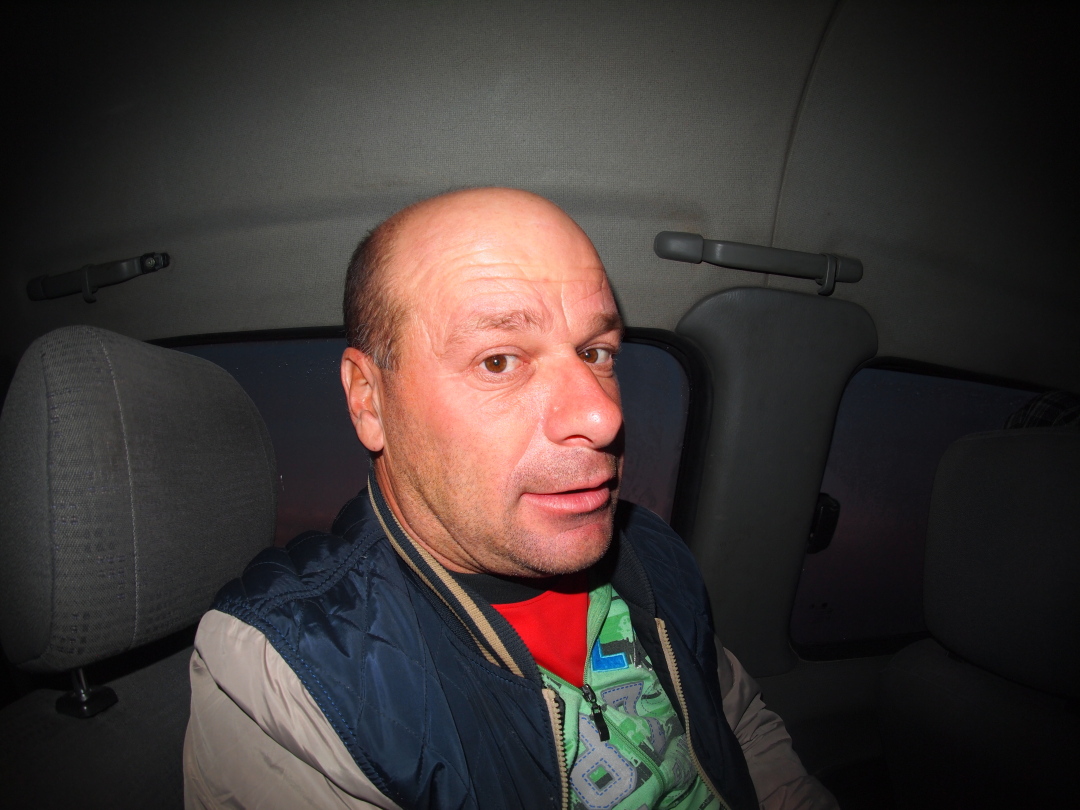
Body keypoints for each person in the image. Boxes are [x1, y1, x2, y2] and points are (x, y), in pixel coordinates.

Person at [183, 188, 838, 810]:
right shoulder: (296, 670)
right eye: (499, 360)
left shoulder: (649, 551)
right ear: (369, 400)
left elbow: (736, 722)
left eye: (596, 352)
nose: (602, 416)